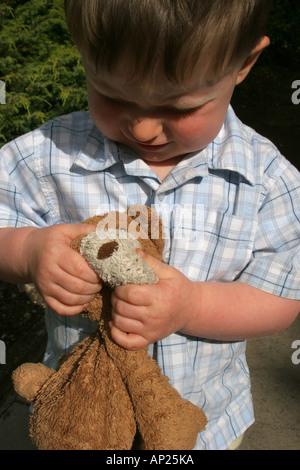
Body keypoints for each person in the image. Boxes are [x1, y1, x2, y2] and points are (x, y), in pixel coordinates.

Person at [0, 0, 299, 450]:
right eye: (113, 95)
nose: (142, 129)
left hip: (202, 424)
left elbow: (281, 297)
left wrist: (191, 306)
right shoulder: (46, 156)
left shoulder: (269, 181)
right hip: (79, 423)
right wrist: (28, 250)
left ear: (244, 63)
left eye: (179, 107)